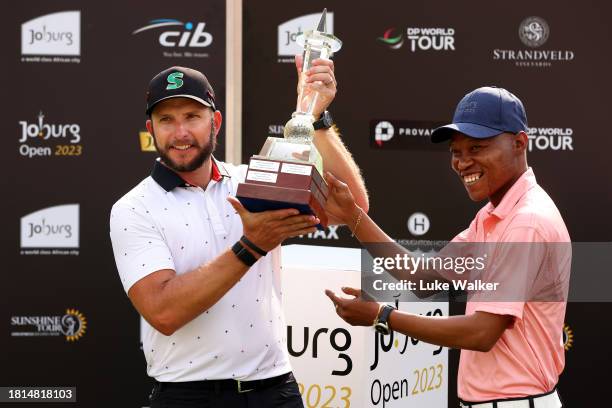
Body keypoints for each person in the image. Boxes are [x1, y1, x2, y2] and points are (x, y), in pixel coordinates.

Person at [109, 60, 368, 407]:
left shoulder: (252, 179)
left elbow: (351, 209)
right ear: (150, 129)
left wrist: (317, 119)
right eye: (166, 120)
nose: (180, 132)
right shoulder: (134, 207)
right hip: (187, 396)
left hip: (275, 389)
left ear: (215, 122)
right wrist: (252, 246)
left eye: (191, 116)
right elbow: (163, 312)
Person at [324, 86, 569, 408]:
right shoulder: (495, 215)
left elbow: (482, 332)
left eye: (477, 147)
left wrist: (382, 316)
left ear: (519, 143)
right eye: (456, 151)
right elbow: (424, 278)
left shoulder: (526, 221)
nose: (463, 162)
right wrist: (352, 216)